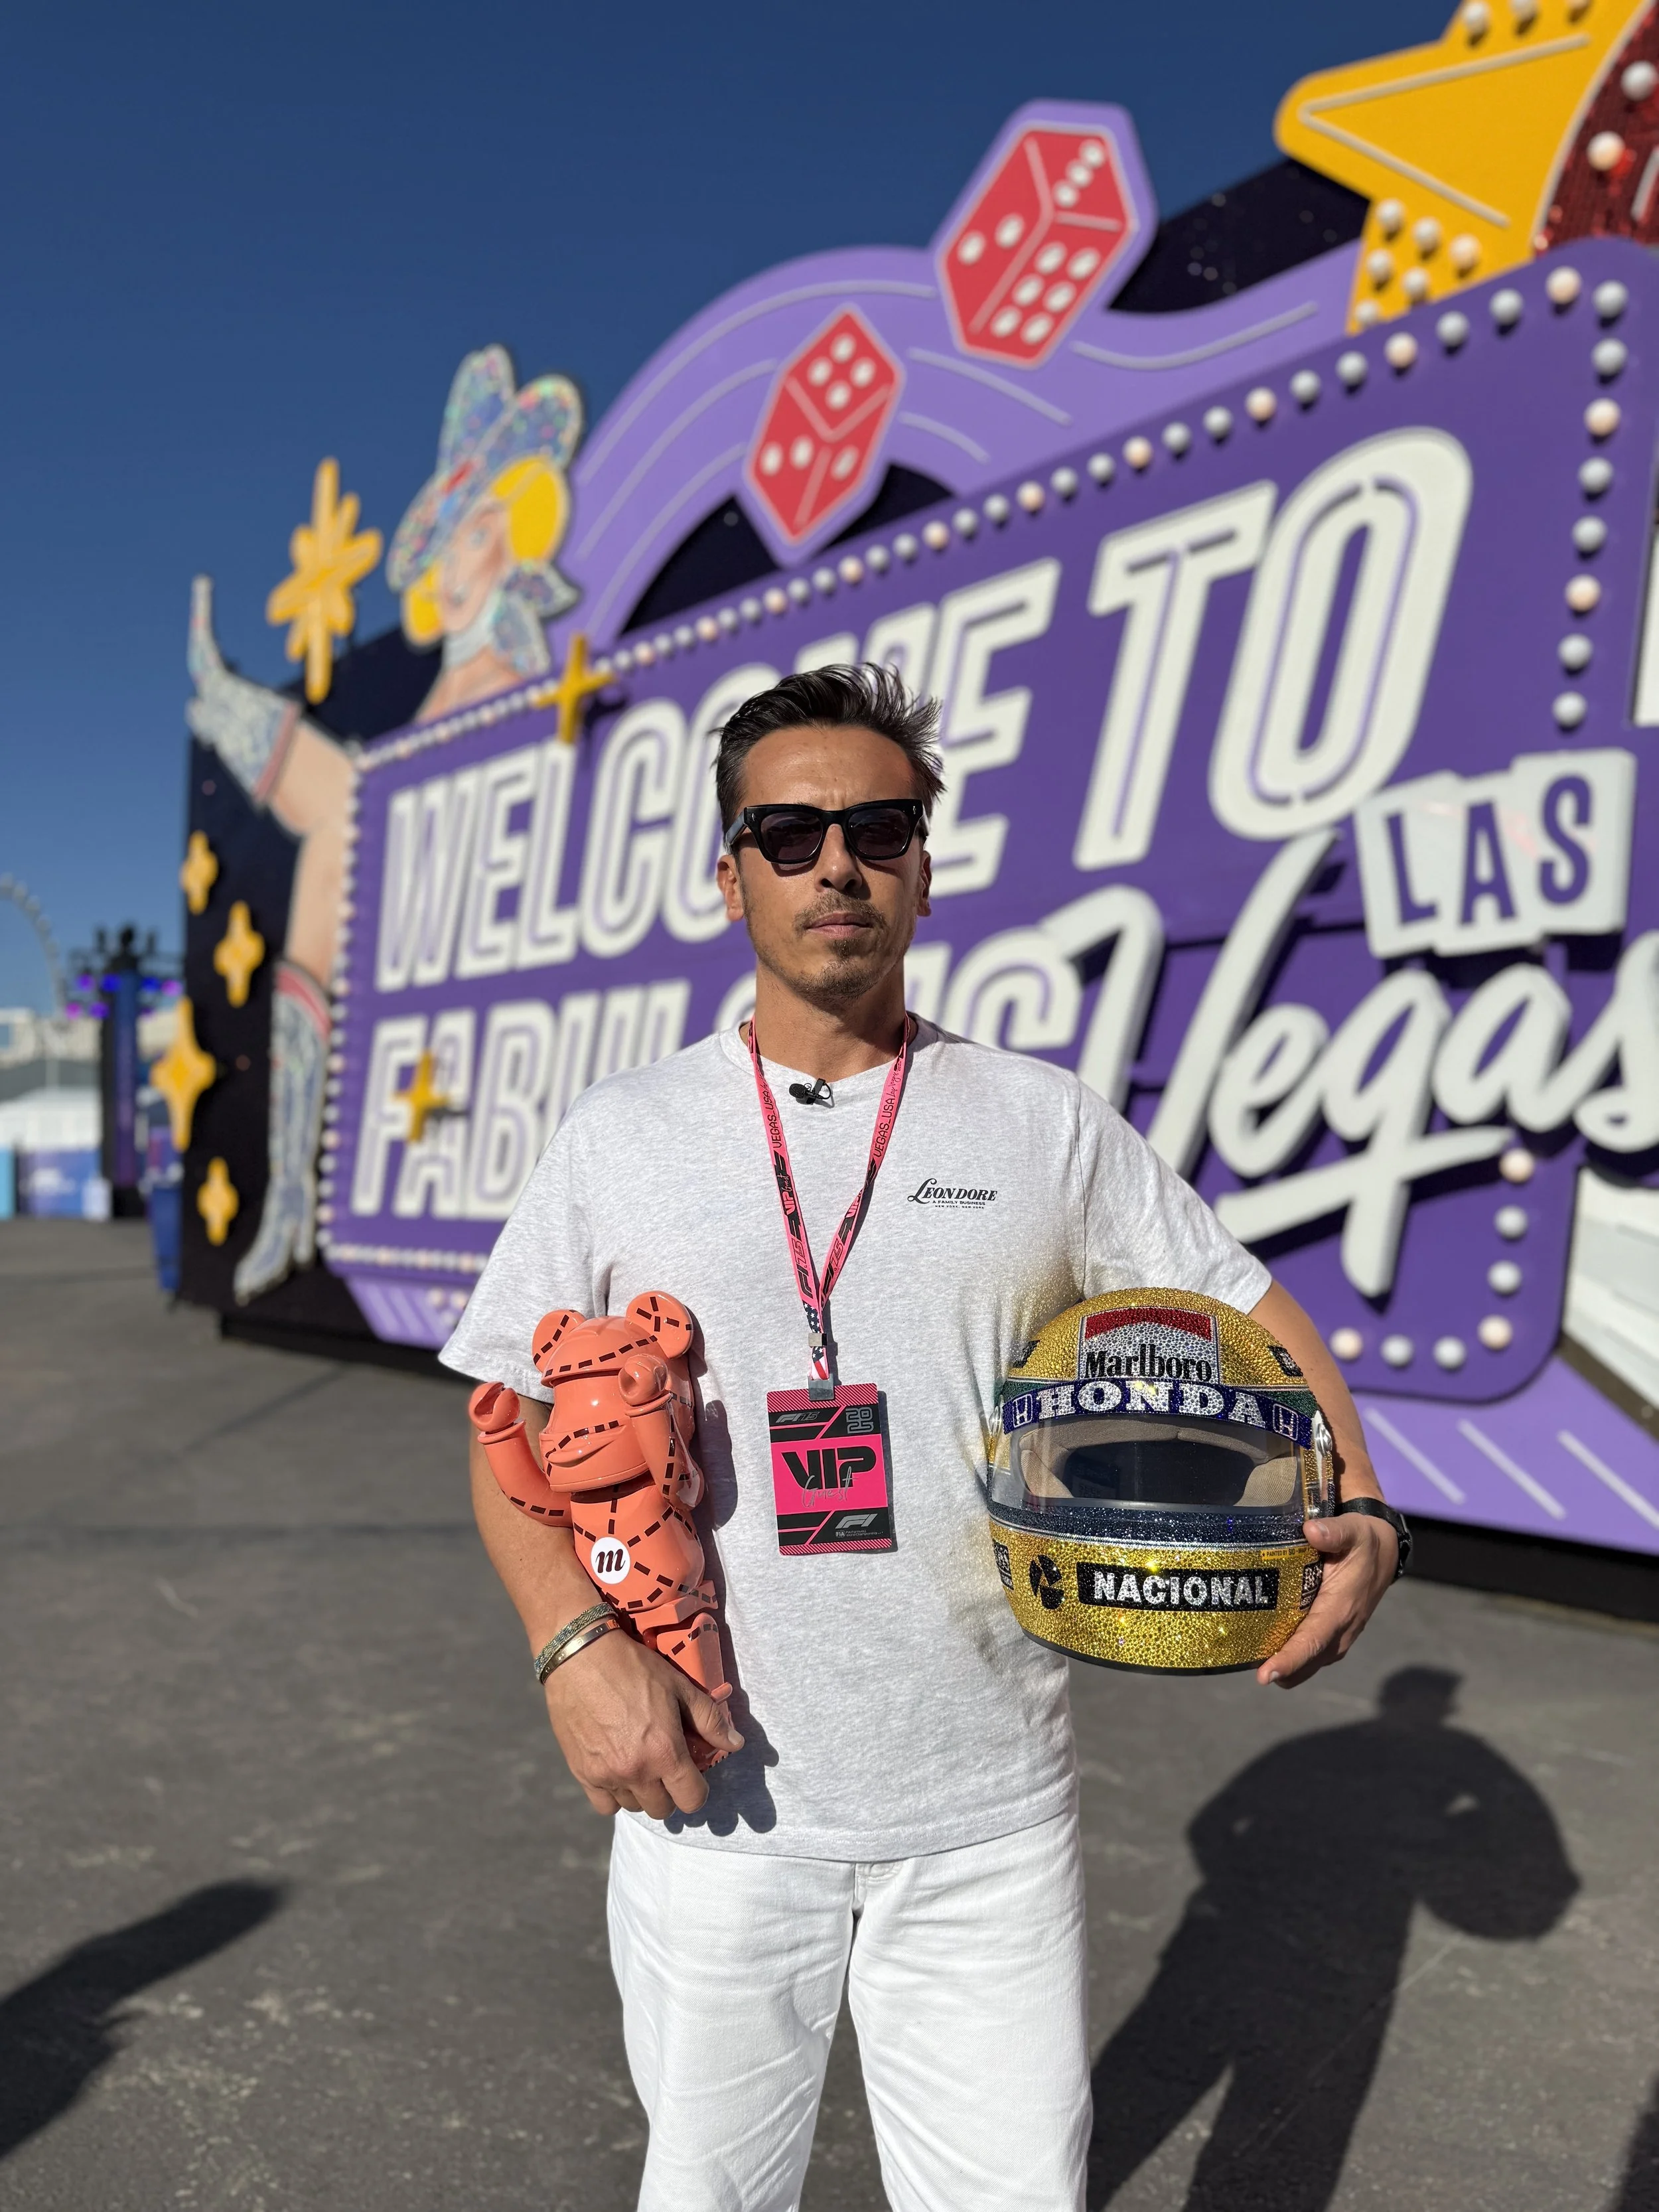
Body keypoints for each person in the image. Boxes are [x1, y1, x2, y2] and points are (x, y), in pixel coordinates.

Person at [439, 664, 1403, 2212]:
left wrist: (1359, 1500)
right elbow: (508, 1436)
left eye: (879, 827)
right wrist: (575, 1652)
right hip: (717, 1801)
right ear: (729, 871)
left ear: (924, 865)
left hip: (985, 1818)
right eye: (790, 831)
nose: (837, 862)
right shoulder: (620, 1139)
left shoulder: (1039, 1122)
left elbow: (1237, 1299)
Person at [182, 345, 582, 1301]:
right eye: (446, 543)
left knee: (341, 814)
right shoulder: (443, 681)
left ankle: (226, 706)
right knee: (338, 830)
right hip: (400, 877)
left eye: (478, 533)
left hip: (468, 869)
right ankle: (289, 1193)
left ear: (517, 543)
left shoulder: (513, 672)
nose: (454, 565)